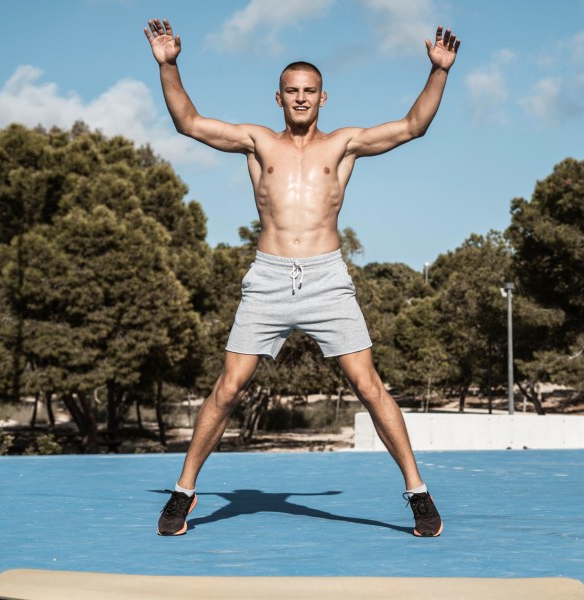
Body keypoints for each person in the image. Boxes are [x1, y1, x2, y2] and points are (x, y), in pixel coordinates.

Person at [143, 17, 460, 538]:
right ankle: (183, 492)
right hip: (268, 279)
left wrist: (438, 73)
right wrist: (169, 64)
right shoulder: (257, 143)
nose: (300, 98)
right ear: (278, 97)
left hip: (326, 278)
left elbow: (412, 126)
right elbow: (189, 123)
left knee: (369, 385)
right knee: (228, 388)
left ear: (323, 97)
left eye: (309, 91)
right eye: (291, 91)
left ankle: (418, 493)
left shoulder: (344, 145)